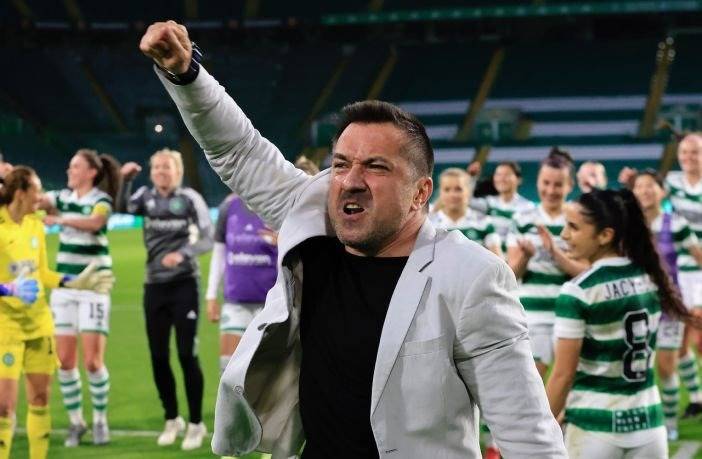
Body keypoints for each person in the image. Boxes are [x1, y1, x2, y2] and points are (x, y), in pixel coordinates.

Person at [140, 20, 566, 458]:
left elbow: (528, 435)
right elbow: (239, 151)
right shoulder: (314, 223)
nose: (350, 181)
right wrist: (186, 75)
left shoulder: (471, 277)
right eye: (342, 164)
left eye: (376, 167)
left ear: (420, 193)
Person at [546, 189, 691, 458]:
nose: (564, 235)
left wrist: (535, 432)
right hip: (650, 427)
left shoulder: (578, 291)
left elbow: (563, 375)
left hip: (595, 430)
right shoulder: (651, 278)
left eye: (573, 227)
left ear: (605, 235)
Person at [0, 166, 114, 459]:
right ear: (21, 193)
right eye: (36, 191)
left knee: (40, 399)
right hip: (6, 329)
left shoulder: (35, 225)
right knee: (4, 407)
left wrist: (72, 281)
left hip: (39, 326)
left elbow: (42, 273)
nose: (40, 197)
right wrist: (8, 289)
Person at [117, 148, 213, 451]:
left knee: (186, 355)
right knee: (158, 356)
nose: (161, 172)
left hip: (185, 285)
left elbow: (208, 238)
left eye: (166, 167)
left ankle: (196, 423)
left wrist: (182, 254)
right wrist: (125, 181)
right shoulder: (144, 197)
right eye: (156, 167)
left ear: (177, 171)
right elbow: (121, 208)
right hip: (154, 287)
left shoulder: (190, 199)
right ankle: (172, 418)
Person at [206, 157, 318, 376]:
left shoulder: (277, 207)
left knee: (268, 374)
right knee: (227, 370)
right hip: (236, 301)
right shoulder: (229, 207)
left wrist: (284, 240)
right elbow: (219, 253)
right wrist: (211, 294)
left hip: (272, 303)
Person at [39, 149, 122, 447]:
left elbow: (96, 223)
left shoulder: (101, 200)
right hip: (64, 287)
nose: (69, 170)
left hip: (93, 288)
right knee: (64, 361)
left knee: (92, 362)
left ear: (91, 172)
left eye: (75, 166)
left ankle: (100, 420)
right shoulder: (61, 197)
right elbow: (36, 199)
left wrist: (60, 221)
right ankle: (76, 422)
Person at [619, 133, 702, 417]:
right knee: (674, 350)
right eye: (684, 152)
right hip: (655, 287)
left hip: (685, 280)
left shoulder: (676, 223)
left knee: (686, 347)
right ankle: (695, 397)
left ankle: (681, 409)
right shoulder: (672, 184)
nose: (689, 157)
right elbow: (646, 190)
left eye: (695, 152)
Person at [632, 170, 702, 440]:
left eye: (651, 186)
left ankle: (669, 424)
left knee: (665, 366)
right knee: (638, 369)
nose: (645, 191)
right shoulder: (628, 225)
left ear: (662, 191)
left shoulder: (676, 223)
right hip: (636, 306)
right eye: (640, 186)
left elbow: (698, 256)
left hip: (669, 307)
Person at [507, 149, 589, 378]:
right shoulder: (522, 219)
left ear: (570, 185)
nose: (551, 190)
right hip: (532, 315)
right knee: (530, 385)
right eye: (546, 183)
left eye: (558, 184)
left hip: (569, 312)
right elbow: (511, 275)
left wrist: (555, 252)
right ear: (538, 182)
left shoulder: (579, 219)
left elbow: (586, 272)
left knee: (569, 384)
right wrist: (525, 256)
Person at [429, 168, 502, 256]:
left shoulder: (484, 222)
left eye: (458, 189)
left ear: (468, 191)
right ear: (441, 193)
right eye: (447, 189)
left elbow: (498, 261)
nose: (453, 194)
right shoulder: (429, 225)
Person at [470, 161, 536, 254]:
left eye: (507, 175)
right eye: (498, 175)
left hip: (514, 257)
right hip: (490, 257)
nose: (501, 179)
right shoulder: (489, 202)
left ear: (519, 179)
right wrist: (472, 178)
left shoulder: (527, 207)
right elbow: (465, 201)